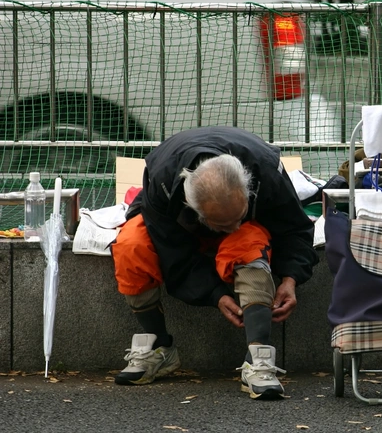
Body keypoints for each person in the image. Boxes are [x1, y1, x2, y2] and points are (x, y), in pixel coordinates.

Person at [110, 126, 318, 400]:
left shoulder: (266, 170)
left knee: (246, 245)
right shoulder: (162, 179)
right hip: (176, 219)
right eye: (222, 223)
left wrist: (291, 279)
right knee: (130, 246)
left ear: (247, 188)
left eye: (238, 215)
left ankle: (259, 358)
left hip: (244, 216)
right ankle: (159, 347)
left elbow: (294, 228)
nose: (232, 227)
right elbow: (175, 255)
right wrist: (215, 295)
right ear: (192, 206)